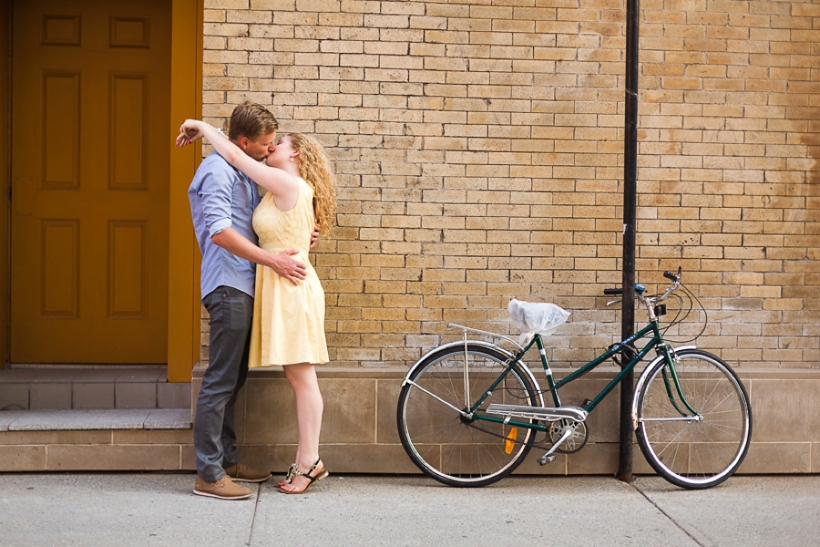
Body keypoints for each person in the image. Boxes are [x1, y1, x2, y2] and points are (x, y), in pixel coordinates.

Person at [178, 119, 337, 495]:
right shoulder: (272, 185)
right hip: (271, 286)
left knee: (301, 379)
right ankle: (221, 468)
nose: (271, 148)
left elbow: (235, 152)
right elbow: (283, 224)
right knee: (285, 378)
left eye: (278, 143)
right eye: (268, 142)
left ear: (295, 153)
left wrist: (201, 126)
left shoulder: (284, 182)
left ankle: (308, 462)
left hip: (291, 288)